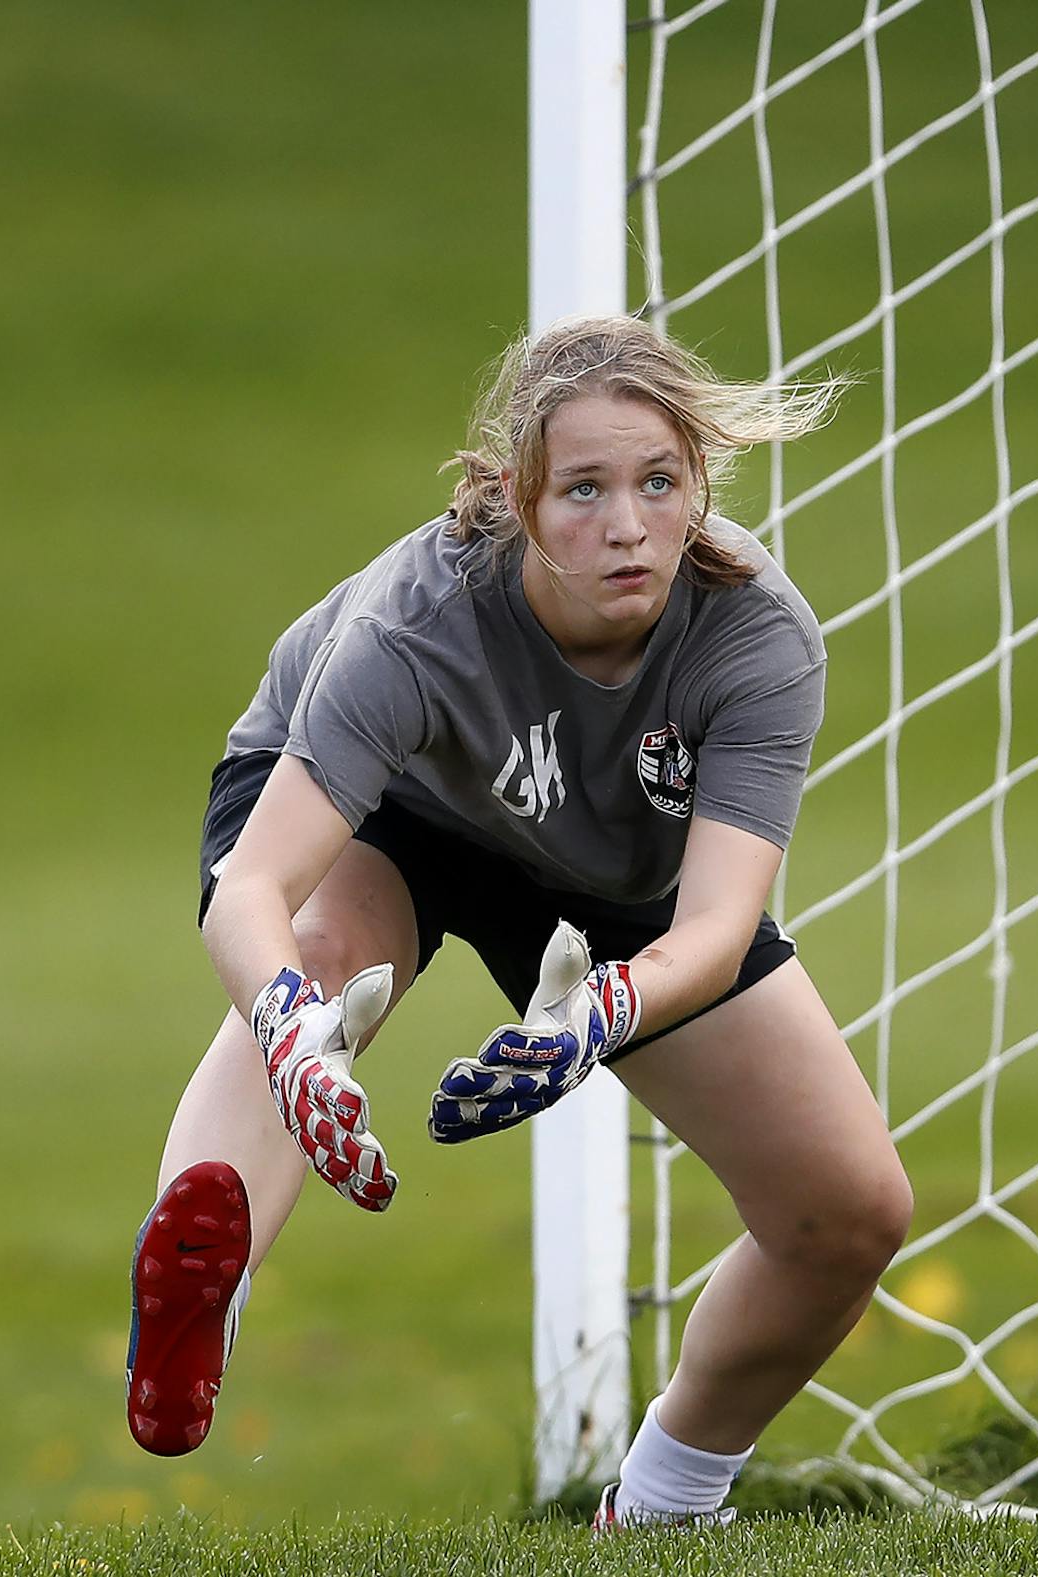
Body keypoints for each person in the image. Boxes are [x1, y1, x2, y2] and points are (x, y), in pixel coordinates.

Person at [126, 315, 911, 1527]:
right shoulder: (415, 620)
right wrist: (292, 1031)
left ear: (701, 478)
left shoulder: (759, 635)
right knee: (325, 964)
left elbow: (711, 927)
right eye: (583, 489)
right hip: (397, 812)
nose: (628, 524)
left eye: (659, 481)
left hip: (605, 878)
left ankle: (661, 1511)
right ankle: (200, 1289)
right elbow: (254, 889)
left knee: (850, 1210)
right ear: (514, 499)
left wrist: (599, 1014)